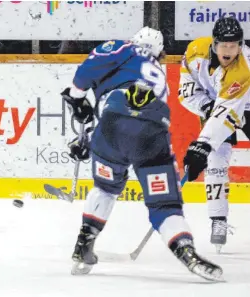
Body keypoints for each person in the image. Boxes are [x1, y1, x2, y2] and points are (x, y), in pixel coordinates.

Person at [63, 27, 222, 281]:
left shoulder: (124, 48)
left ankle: (84, 243)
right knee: (165, 204)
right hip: (152, 132)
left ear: (134, 41)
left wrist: (76, 97)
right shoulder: (159, 73)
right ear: (160, 54)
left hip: (111, 126)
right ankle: (186, 251)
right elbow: (135, 117)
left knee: (105, 188)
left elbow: (91, 72)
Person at [179, 17, 250, 253]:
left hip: (244, 104)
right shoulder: (194, 53)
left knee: (208, 148)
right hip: (215, 104)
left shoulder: (243, 67)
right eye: (224, 46)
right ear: (214, 43)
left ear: (241, 45)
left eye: (234, 46)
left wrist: (202, 144)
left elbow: (228, 112)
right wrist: (205, 106)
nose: (229, 51)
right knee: (215, 161)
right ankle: (218, 220)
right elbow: (186, 93)